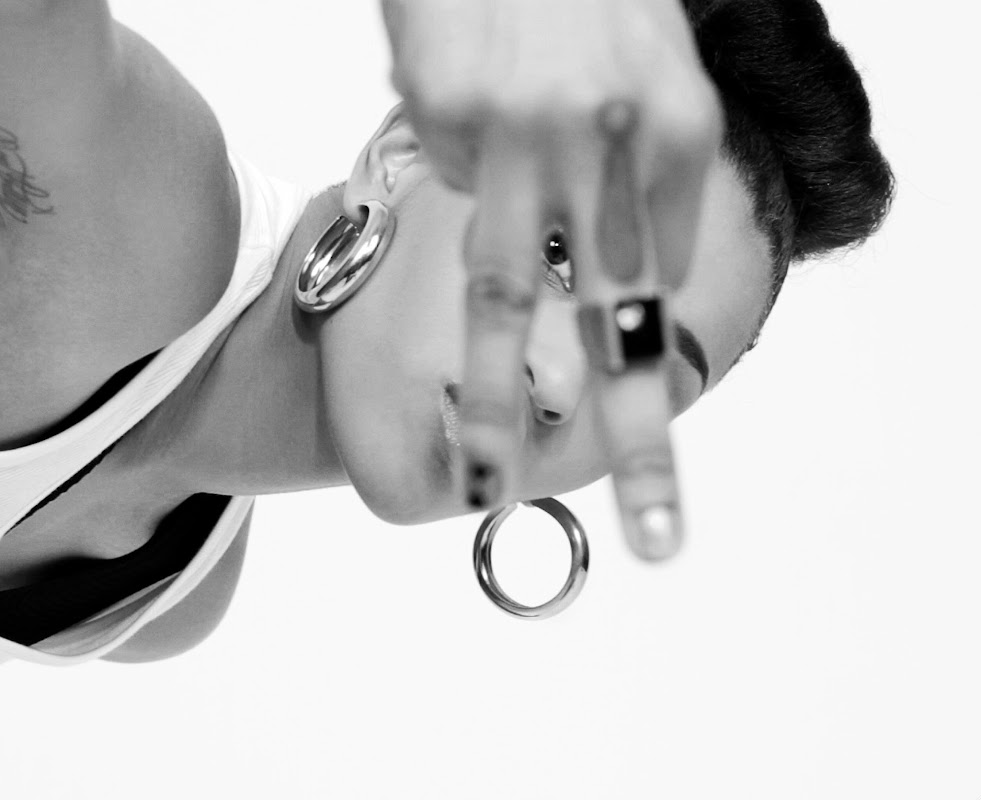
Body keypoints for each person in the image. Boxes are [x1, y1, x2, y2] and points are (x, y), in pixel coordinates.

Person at [0, 0, 893, 664]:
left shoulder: (160, 600)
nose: (559, 383)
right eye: (559, 253)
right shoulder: (127, 207)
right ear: (402, 159)